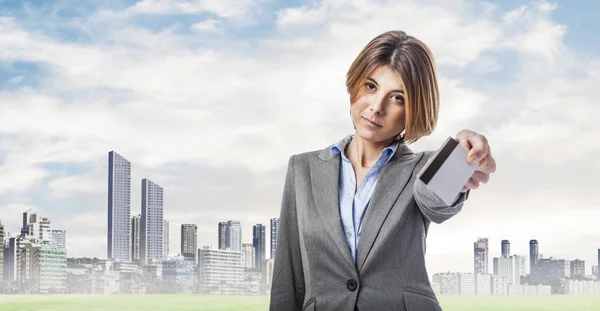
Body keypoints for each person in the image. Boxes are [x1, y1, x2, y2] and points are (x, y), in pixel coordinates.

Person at [269, 30, 497, 311]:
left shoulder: (421, 168)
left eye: (398, 98)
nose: (377, 108)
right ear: (355, 85)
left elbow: (436, 202)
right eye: (371, 86)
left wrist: (462, 152)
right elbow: (287, 277)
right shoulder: (302, 169)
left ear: (415, 109)